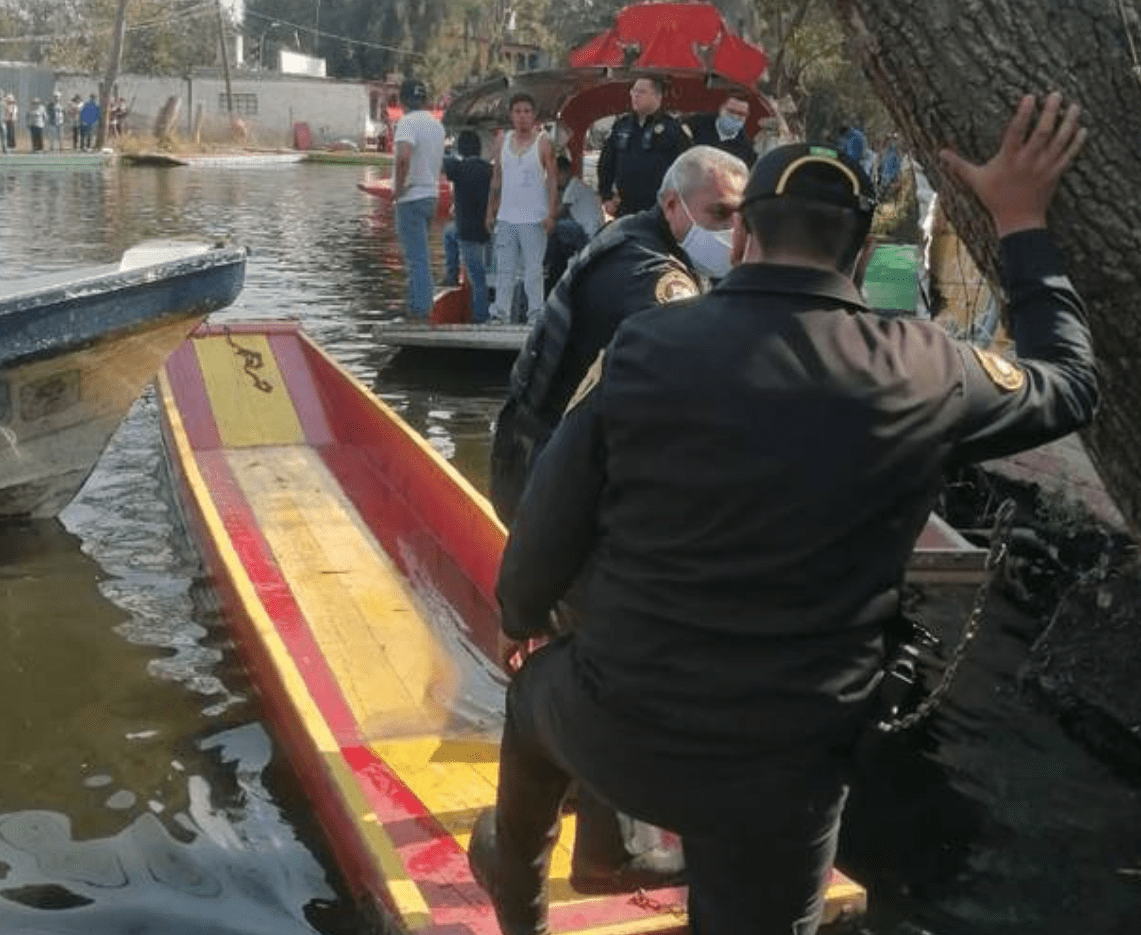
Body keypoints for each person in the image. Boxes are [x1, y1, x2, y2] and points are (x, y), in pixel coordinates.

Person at [469, 92, 1096, 935]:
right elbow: (1069, 382)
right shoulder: (925, 367)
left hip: (621, 731)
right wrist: (1020, 218)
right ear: (863, 251)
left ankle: (518, 892)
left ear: (740, 236)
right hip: (789, 768)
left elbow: (550, 512)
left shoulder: (648, 346)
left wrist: (518, 615)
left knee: (530, 698)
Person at [489, 142, 748, 523]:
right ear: (672, 204)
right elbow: (685, 393)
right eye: (719, 213)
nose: (729, 231)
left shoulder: (630, 235)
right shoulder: (654, 279)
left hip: (533, 455)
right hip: (556, 483)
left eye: (739, 220)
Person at [486, 93, 557, 325]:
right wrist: (490, 210)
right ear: (511, 115)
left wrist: (550, 212)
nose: (523, 116)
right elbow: (496, 178)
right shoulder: (502, 141)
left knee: (533, 271)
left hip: (534, 218)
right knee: (504, 270)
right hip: (506, 217)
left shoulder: (543, 141)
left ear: (534, 115)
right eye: (518, 111)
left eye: (527, 111)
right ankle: (500, 314)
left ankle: (536, 315)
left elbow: (553, 179)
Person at [391, 77, 445, 319]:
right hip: (430, 195)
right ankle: (418, 307)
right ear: (424, 99)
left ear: (403, 100)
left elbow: (404, 157)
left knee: (416, 259)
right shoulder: (437, 126)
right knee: (421, 256)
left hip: (411, 196)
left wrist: (398, 189)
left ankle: (420, 312)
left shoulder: (406, 123)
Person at [596, 76, 688, 217]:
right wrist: (606, 196)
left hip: (659, 210)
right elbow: (606, 163)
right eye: (633, 91)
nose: (635, 95)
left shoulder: (672, 128)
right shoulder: (622, 125)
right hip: (625, 208)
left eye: (642, 91)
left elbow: (686, 169)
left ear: (658, 96)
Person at [442, 128, 493, 323]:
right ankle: (453, 278)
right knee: (448, 233)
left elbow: (442, 160)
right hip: (487, 230)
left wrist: (448, 148)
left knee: (477, 278)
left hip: (467, 232)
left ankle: (480, 317)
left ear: (460, 149)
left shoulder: (458, 168)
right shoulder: (489, 169)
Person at [544, 154, 605, 288]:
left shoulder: (574, 186)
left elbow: (559, 214)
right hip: (591, 232)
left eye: (555, 175)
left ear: (564, 172)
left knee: (553, 227)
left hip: (587, 234)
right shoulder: (580, 186)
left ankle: (545, 264)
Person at [685, 92, 757, 167]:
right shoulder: (695, 124)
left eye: (741, 114)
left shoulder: (747, 149)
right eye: (731, 111)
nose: (735, 117)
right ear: (721, 108)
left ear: (747, 116)